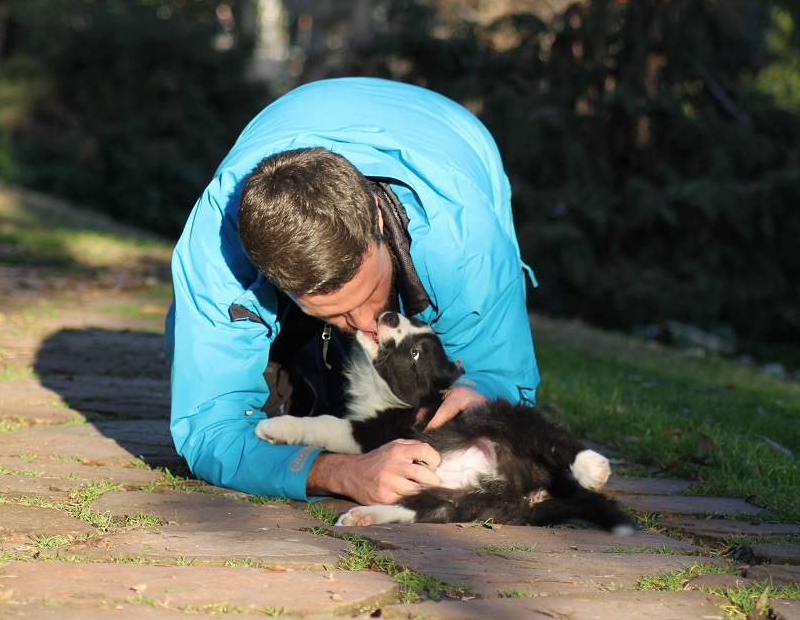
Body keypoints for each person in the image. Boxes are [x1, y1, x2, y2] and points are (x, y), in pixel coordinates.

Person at [165, 77, 540, 506]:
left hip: (456, 138)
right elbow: (208, 429)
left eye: (369, 292)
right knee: (276, 428)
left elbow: (504, 374)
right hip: (292, 116)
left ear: (377, 219)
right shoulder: (214, 255)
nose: (366, 325)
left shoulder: (468, 244)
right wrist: (338, 473)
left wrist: (478, 386)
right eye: (336, 312)